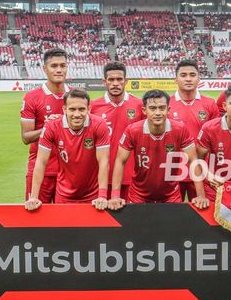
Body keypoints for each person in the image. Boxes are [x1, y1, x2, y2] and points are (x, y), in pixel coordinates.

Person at [107, 90, 208, 209]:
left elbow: (193, 160)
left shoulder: (180, 129)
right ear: (144, 110)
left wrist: (201, 195)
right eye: (153, 108)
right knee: (138, 228)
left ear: (168, 110)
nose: (158, 112)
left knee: (172, 228)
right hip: (138, 194)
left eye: (162, 108)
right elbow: (120, 161)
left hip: (171, 194)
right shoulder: (132, 130)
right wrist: (114, 196)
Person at [25, 88, 110, 210]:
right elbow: (41, 162)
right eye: (72, 109)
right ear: (64, 109)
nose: (76, 114)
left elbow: (103, 161)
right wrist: (34, 197)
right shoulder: (52, 126)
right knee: (65, 229)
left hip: (93, 195)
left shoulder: (99, 124)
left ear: (89, 109)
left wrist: (102, 195)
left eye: (81, 109)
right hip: (64, 194)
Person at [20, 48, 70, 203]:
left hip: (69, 170)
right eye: (54, 66)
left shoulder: (76, 96)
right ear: (45, 68)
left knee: (67, 220)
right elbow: (26, 137)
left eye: (63, 65)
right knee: (35, 218)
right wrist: (48, 128)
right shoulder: (32, 97)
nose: (59, 70)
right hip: (40, 170)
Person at [90, 62, 145, 201]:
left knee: (130, 220)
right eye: (111, 80)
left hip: (132, 175)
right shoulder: (93, 107)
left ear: (125, 81)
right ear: (104, 81)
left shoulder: (139, 105)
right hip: (100, 176)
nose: (115, 83)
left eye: (119, 79)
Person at [169, 59, 220, 200]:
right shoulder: (166, 104)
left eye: (192, 75)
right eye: (183, 75)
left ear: (199, 78)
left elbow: (216, 139)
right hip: (172, 168)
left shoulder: (209, 104)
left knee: (202, 211)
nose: (188, 79)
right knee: (172, 213)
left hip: (202, 168)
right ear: (176, 79)